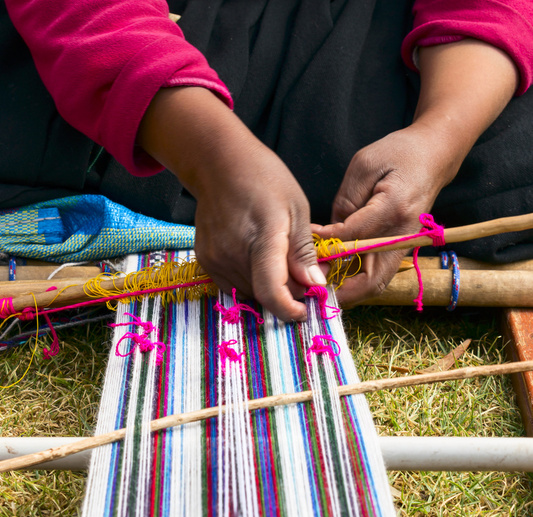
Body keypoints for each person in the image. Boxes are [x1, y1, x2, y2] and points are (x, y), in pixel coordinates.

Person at [2, 0, 533, 322]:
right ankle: (196, 162)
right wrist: (214, 156)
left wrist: (438, 139)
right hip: (139, 34)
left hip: (351, 31)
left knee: (503, 129)